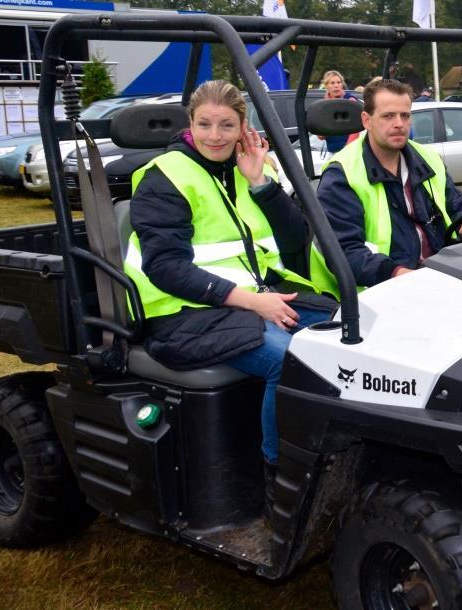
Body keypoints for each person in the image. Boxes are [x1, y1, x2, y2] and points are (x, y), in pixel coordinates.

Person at [125, 80, 334, 514]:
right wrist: (253, 302)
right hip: (180, 315)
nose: (215, 136)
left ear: (243, 127)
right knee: (290, 360)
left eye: (226, 125)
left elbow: (296, 239)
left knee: (347, 330)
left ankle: (338, 453)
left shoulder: (248, 169)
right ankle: (281, 478)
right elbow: (165, 268)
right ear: (191, 123)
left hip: (247, 303)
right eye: (205, 124)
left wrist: (261, 183)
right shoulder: (166, 177)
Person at [311, 79, 462, 297]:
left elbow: (458, 206)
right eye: (388, 116)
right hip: (378, 288)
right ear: (366, 120)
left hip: (438, 273)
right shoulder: (343, 174)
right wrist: (397, 273)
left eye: (405, 116)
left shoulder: (427, 158)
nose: (399, 123)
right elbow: (344, 251)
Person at [321, 70, 361, 154]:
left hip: (349, 150)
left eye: (338, 82)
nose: (336, 86)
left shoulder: (351, 101)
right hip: (332, 151)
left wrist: (348, 149)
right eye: (332, 83)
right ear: (326, 85)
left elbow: (356, 129)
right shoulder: (323, 105)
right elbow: (321, 136)